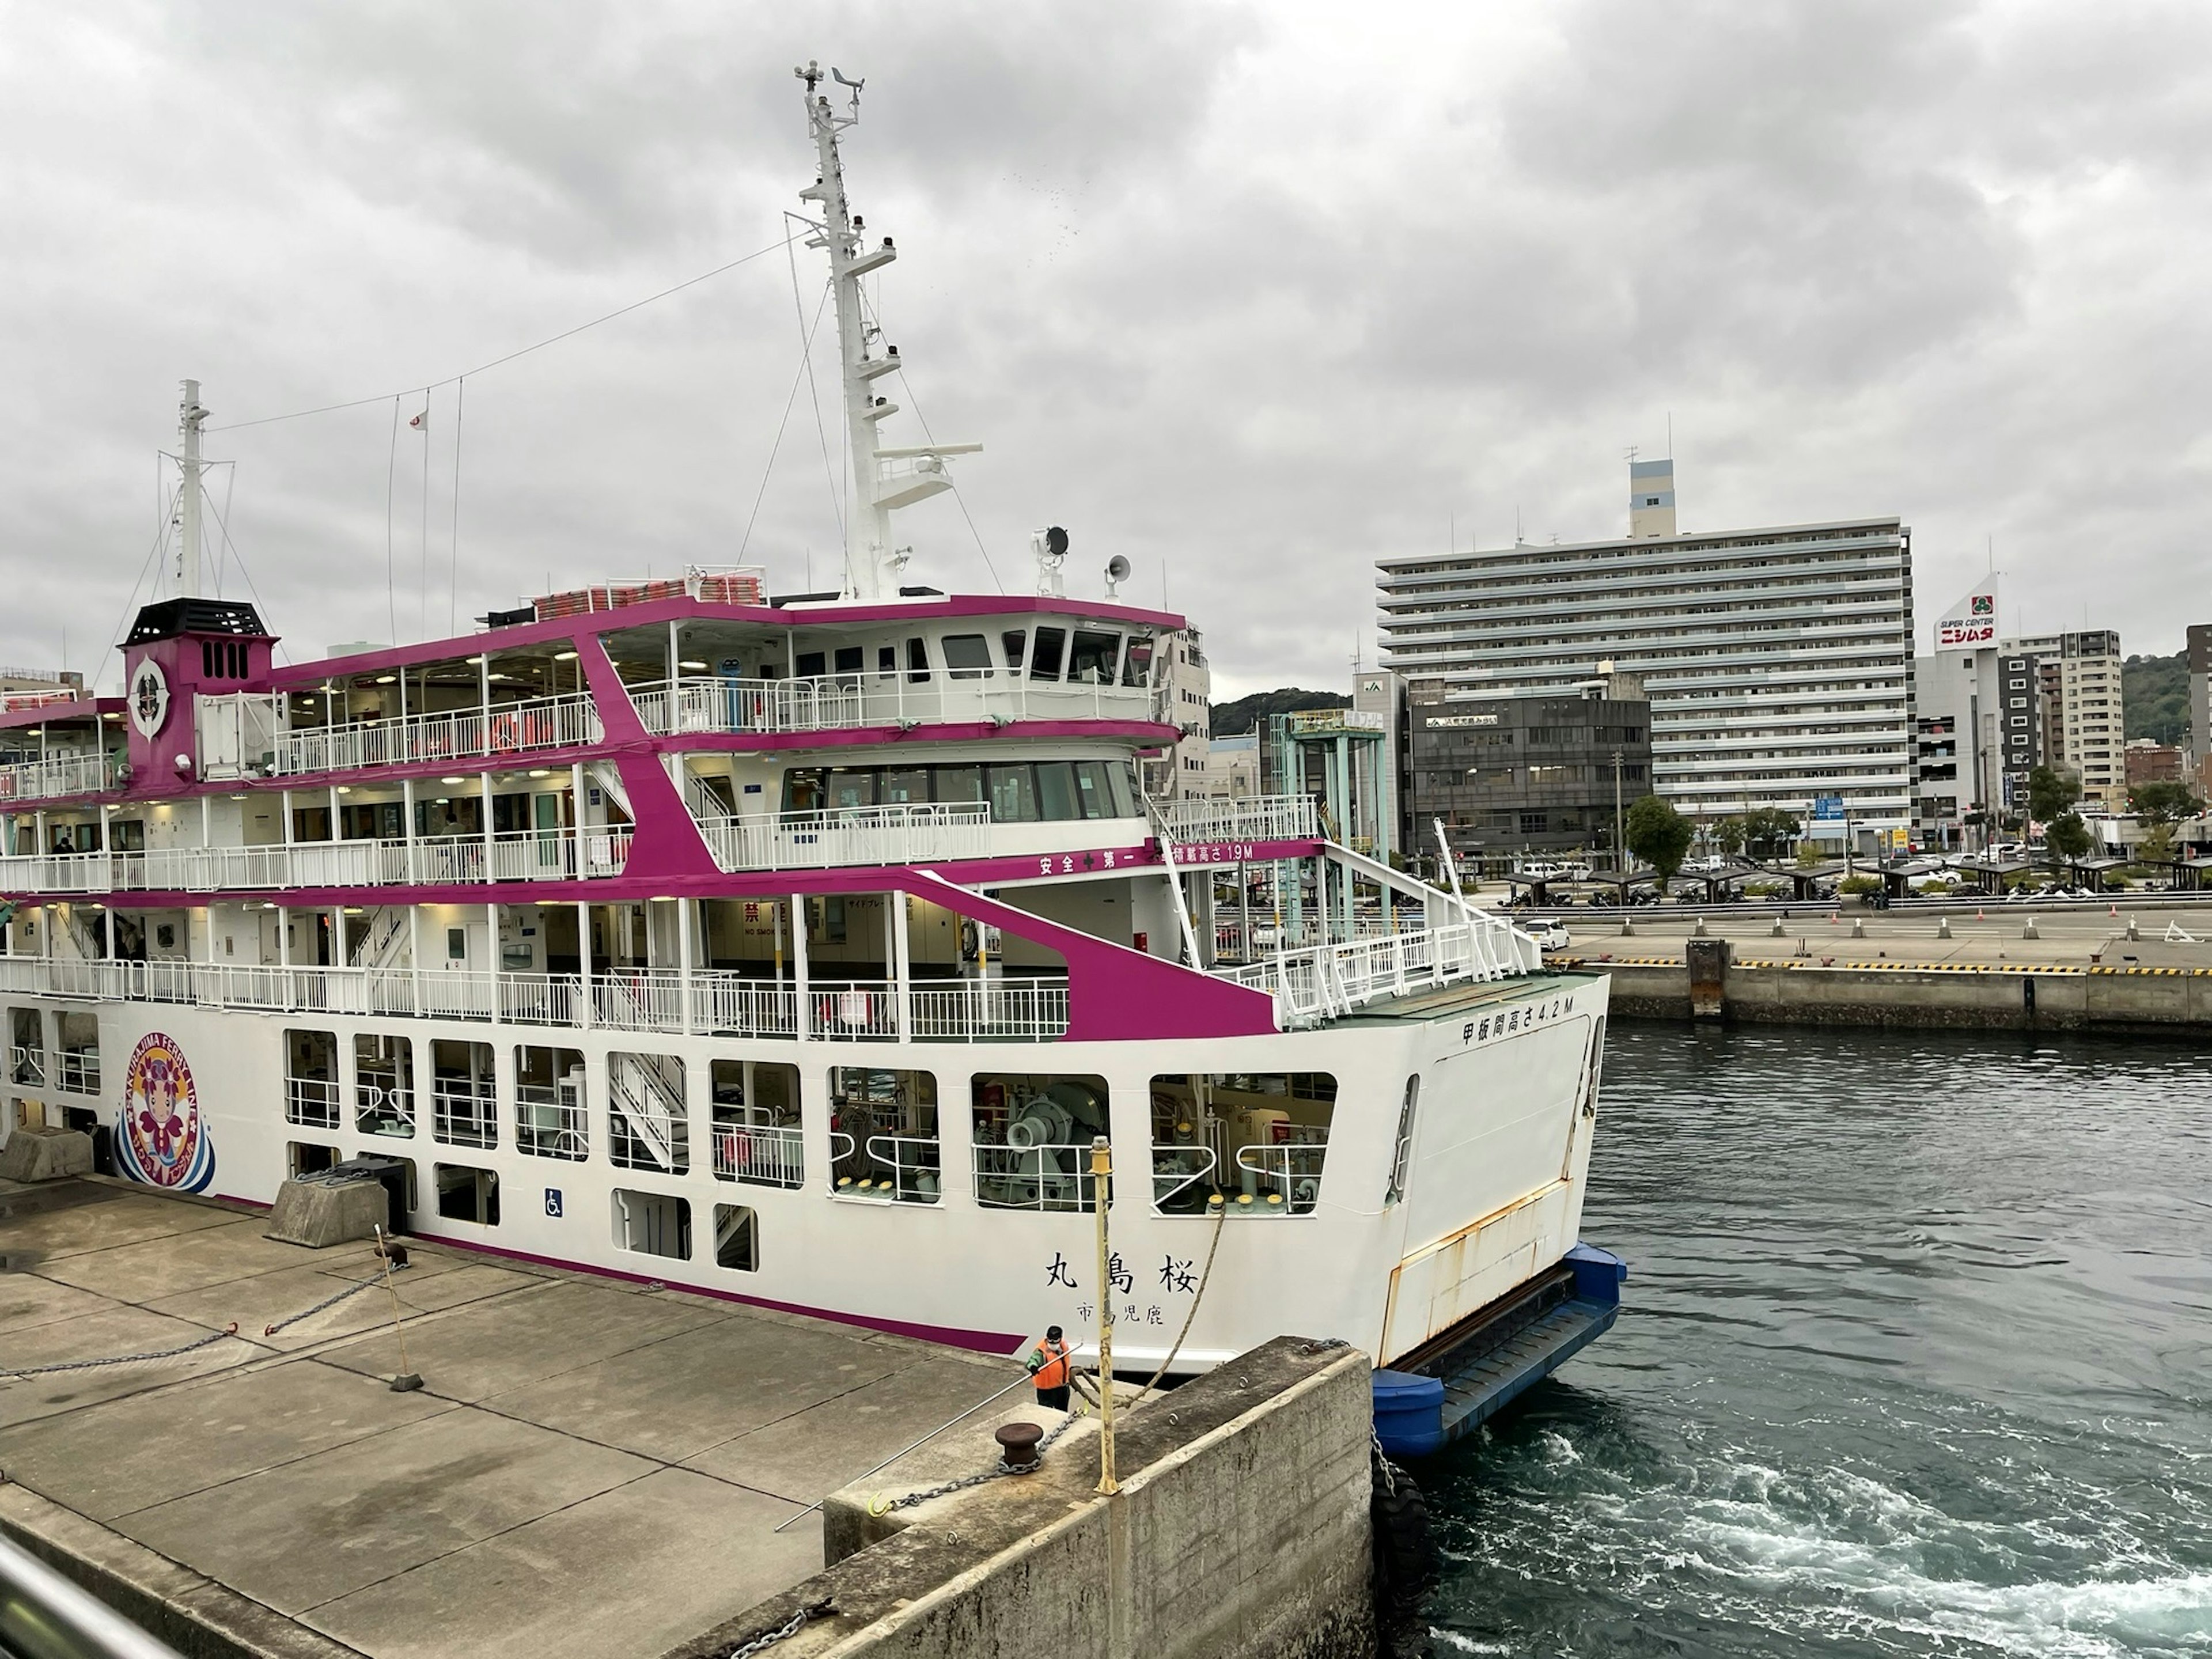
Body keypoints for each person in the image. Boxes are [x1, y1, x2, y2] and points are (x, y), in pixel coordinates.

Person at [1026, 1324, 1071, 1411]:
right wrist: (1033, 1367)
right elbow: (1033, 1360)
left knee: (1063, 1413)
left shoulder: (1063, 1346)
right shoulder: (1041, 1351)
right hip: (1046, 1391)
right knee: (1046, 1413)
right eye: (1050, 1340)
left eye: (1055, 1341)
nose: (1052, 1343)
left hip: (1062, 1388)